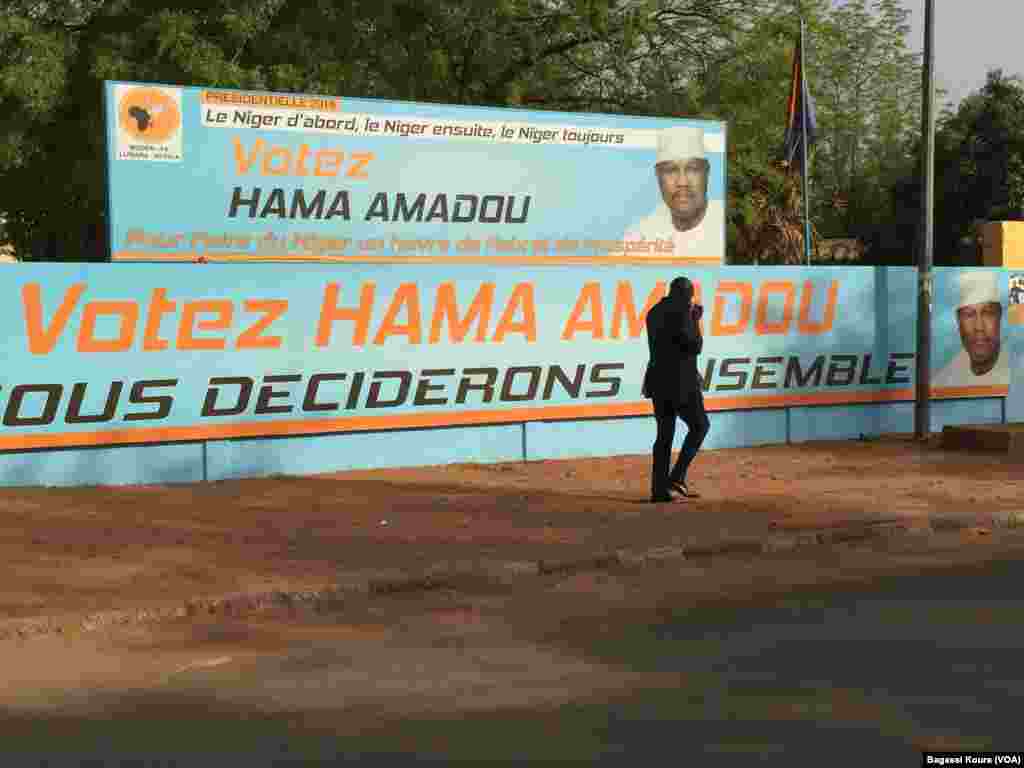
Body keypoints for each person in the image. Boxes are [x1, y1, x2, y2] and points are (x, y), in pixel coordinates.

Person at [643, 276, 710, 503]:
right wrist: (696, 321)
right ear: (687, 295)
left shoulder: (653, 312)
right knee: (700, 425)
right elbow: (694, 345)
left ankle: (659, 490)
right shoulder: (683, 311)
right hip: (682, 384)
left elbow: (668, 347)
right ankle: (677, 477)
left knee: (664, 435)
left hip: (657, 382)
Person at [622, 126, 724, 260]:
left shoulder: (726, 224)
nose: (682, 182)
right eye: (671, 170)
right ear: (658, 176)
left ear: (707, 172)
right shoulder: (643, 233)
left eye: (692, 169)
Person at [932, 270, 1009, 389]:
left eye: (988, 313)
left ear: (999, 316)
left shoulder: (1015, 369)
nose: (979, 327)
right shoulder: (943, 379)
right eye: (969, 315)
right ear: (958, 321)